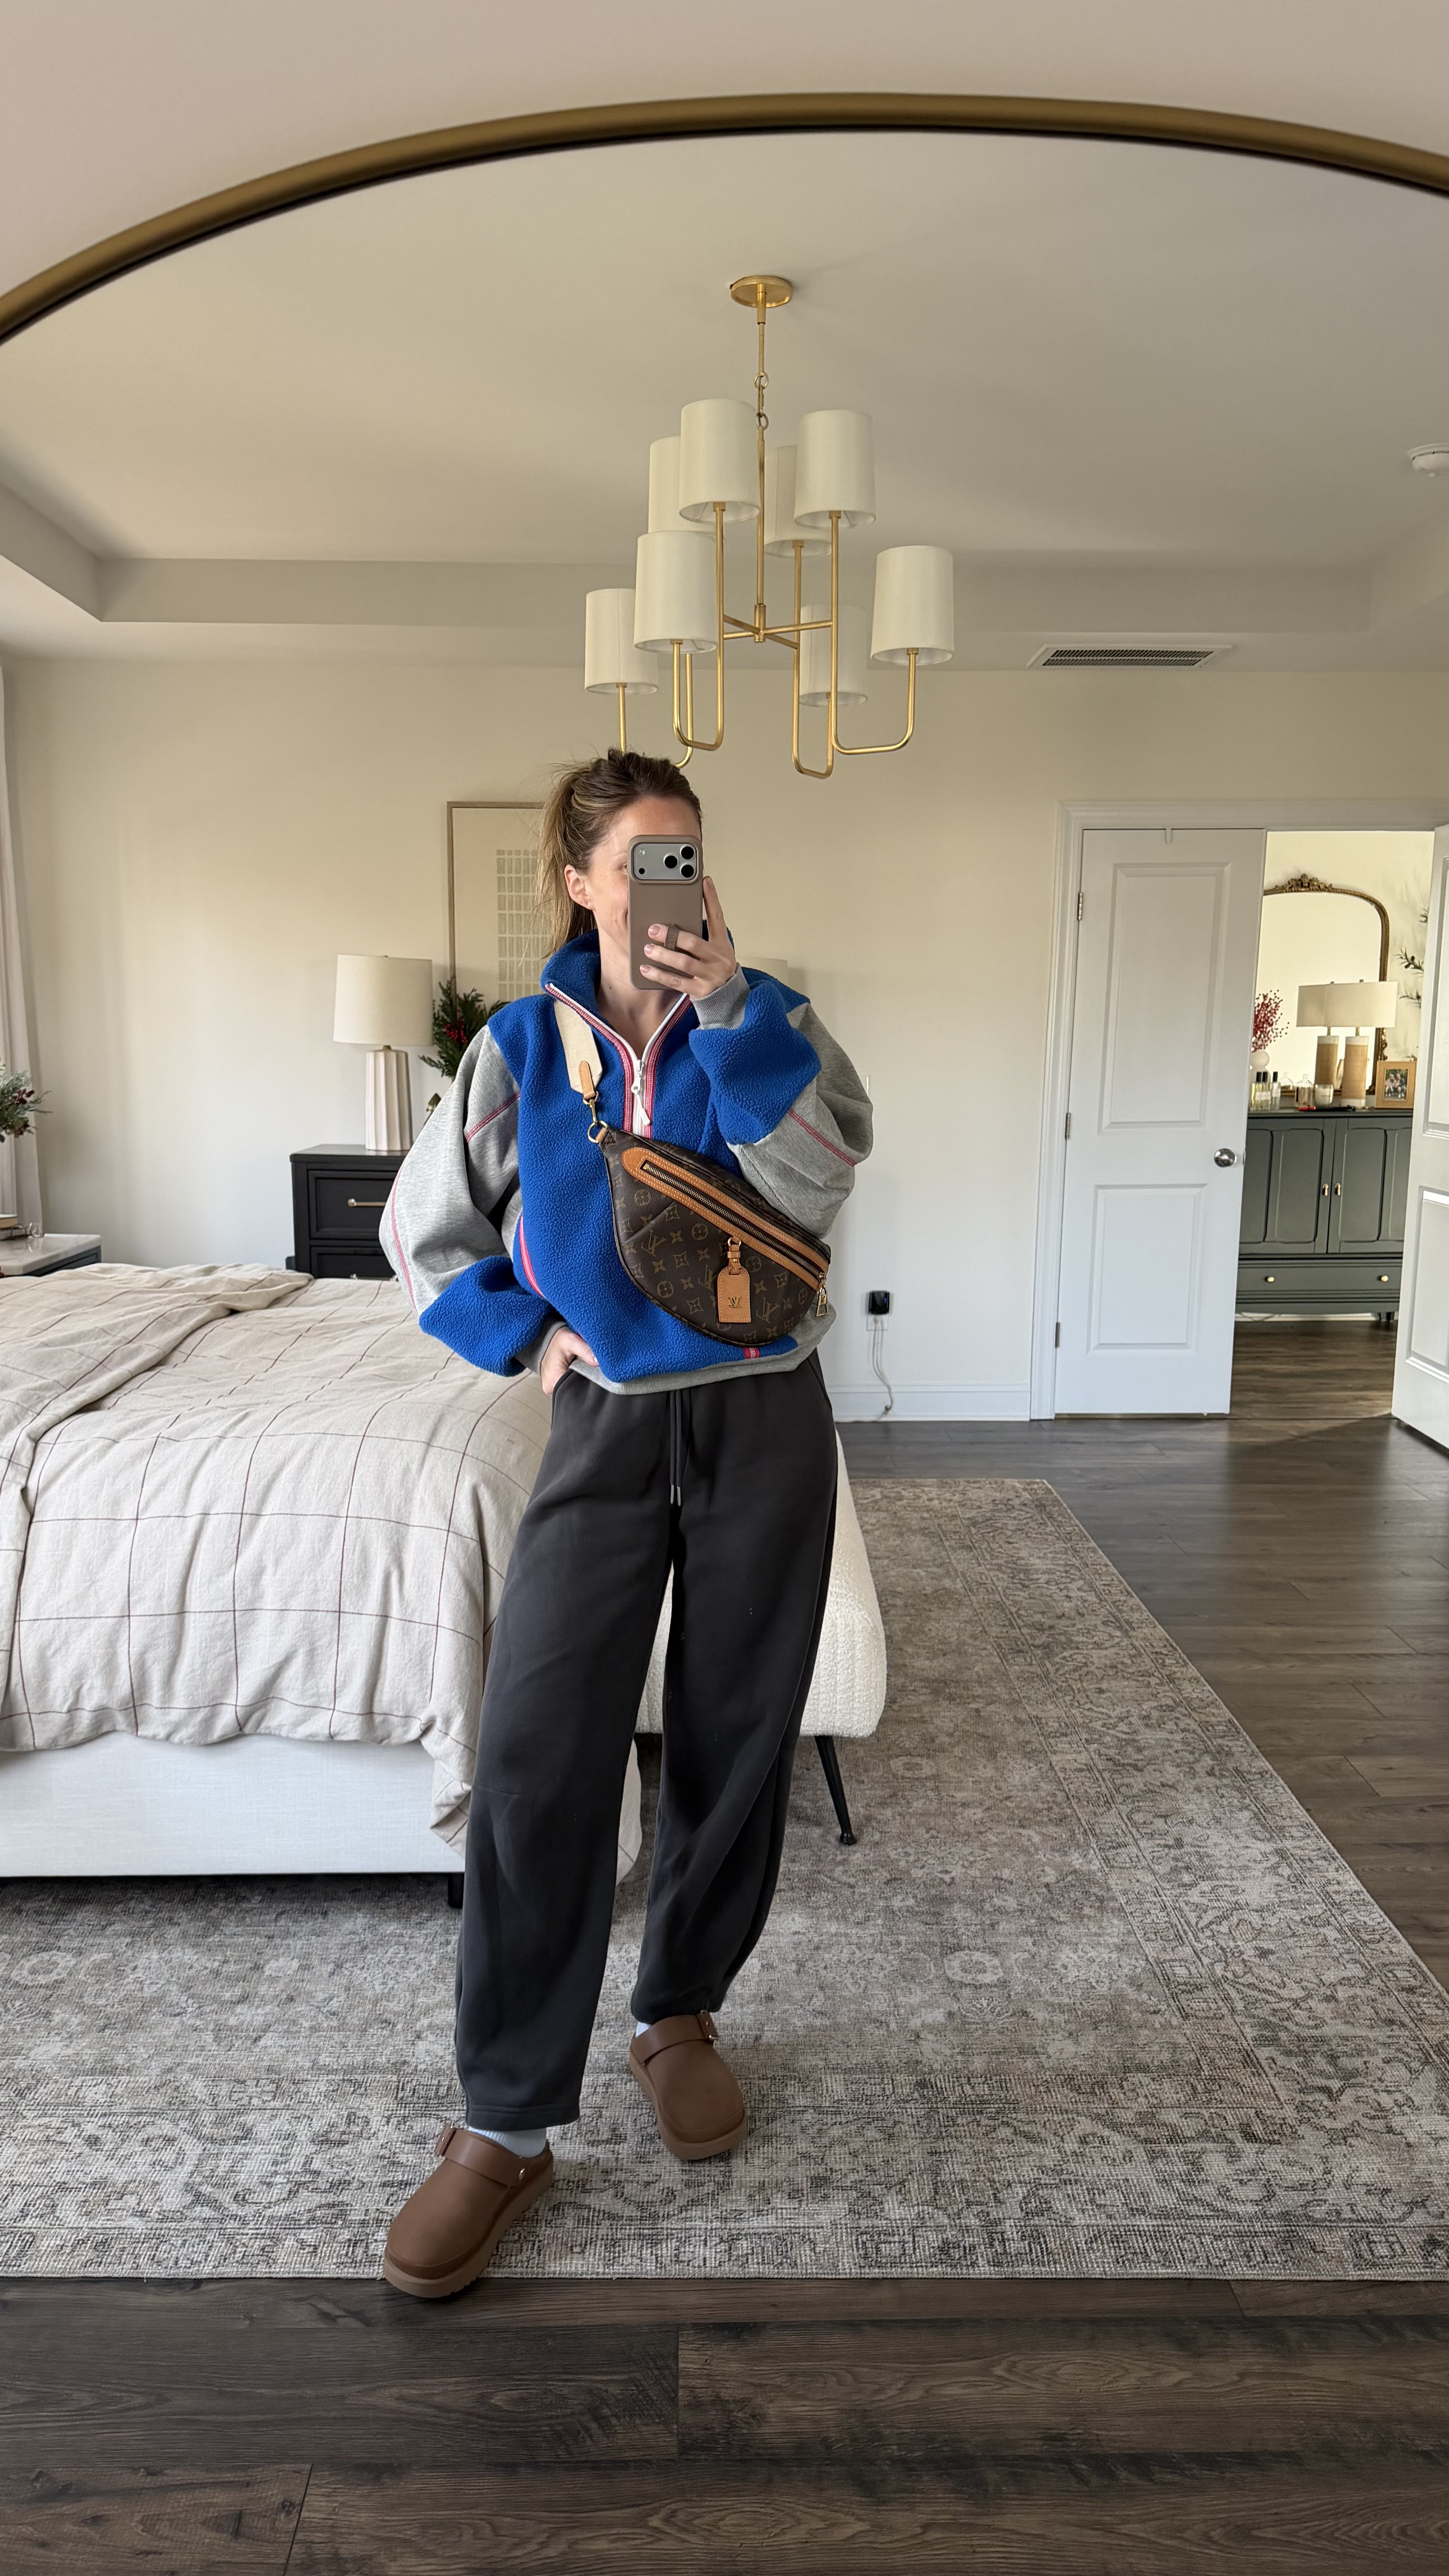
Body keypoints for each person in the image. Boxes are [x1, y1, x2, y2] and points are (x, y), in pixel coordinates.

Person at [380, 746, 872, 2298]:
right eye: (647, 861)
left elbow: (819, 1187)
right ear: (581, 881)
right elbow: (424, 1234)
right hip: (602, 1426)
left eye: (692, 858)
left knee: (739, 1727)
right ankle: (503, 2121)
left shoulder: (770, 1018)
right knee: (537, 1750)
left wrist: (731, 1017)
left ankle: (678, 2010)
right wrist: (530, 1338)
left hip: (764, 1413)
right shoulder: (518, 1047)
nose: (678, 888)